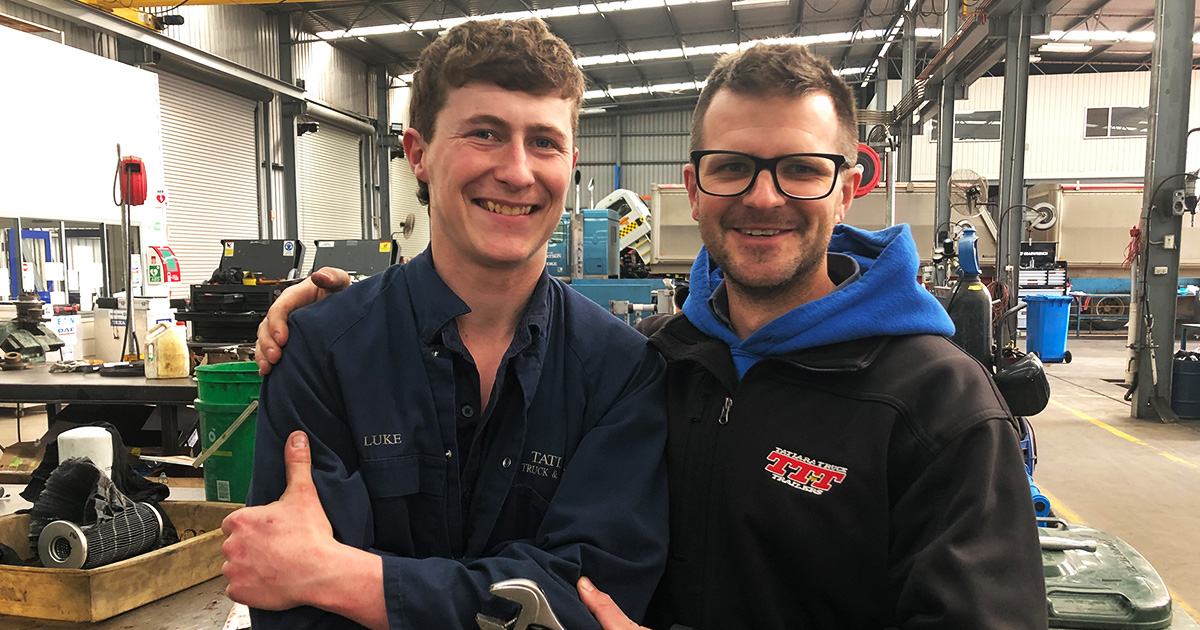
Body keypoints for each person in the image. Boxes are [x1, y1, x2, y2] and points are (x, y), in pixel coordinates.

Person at [256, 43, 1047, 630]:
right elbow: (284, 592)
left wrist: (348, 579)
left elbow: (584, 587)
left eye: (801, 169)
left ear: (851, 181)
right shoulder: (671, 363)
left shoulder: (938, 407)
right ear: (694, 185)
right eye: (733, 166)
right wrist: (338, 305)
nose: (764, 197)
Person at [224, 18, 669, 630]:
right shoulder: (322, 352)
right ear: (418, 155)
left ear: (571, 161)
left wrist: (345, 577)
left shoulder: (622, 371)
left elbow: (593, 600)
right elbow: (292, 603)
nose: (518, 172)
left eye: (544, 142)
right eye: (484, 134)